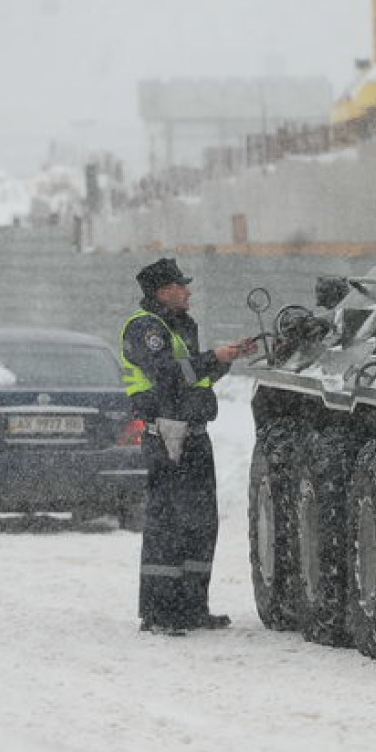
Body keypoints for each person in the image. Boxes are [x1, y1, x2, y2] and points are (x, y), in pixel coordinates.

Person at [120, 257, 256, 635]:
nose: (189, 291)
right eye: (182, 286)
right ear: (164, 291)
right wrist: (214, 357)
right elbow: (166, 374)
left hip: (193, 432)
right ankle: (160, 613)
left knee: (199, 522)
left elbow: (193, 376)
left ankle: (192, 607)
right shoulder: (145, 328)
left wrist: (228, 358)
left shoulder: (178, 325)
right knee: (169, 524)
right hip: (167, 433)